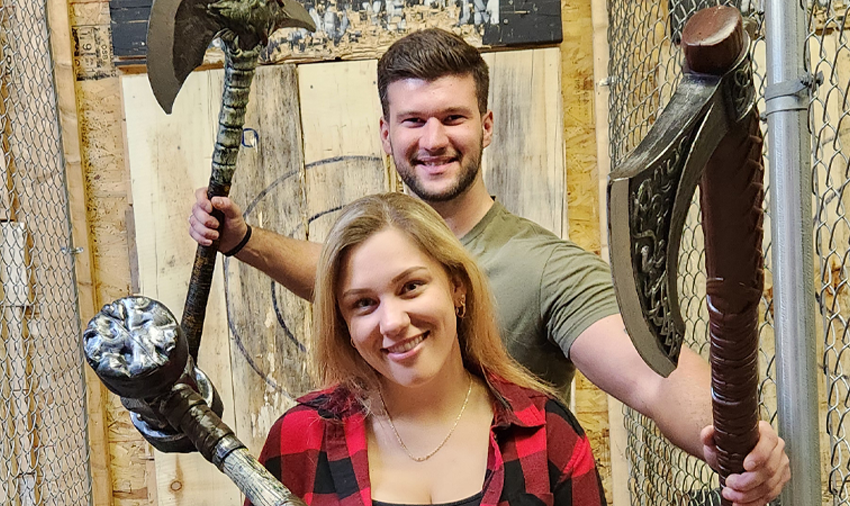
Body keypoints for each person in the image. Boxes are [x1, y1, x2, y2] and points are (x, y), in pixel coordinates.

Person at [191, 28, 790, 505]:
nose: (433, 139)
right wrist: (246, 239)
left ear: (486, 124)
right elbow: (334, 278)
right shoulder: (371, 261)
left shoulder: (543, 271)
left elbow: (651, 378)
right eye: (413, 121)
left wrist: (733, 437)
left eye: (452, 117)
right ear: (385, 132)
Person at [249, 192, 607, 506]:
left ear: (457, 287)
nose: (391, 322)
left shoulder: (547, 435)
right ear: (343, 323)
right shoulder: (298, 440)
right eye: (363, 303)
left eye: (411, 287)